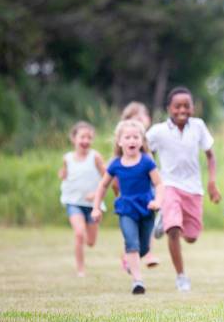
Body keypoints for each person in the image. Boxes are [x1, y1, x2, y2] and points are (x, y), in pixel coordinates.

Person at [146, 87, 221, 292]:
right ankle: (181, 277)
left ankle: (164, 220)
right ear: (169, 108)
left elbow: (211, 155)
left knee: (191, 237)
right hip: (168, 185)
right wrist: (151, 171)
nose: (182, 110)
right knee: (173, 231)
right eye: (177, 106)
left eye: (186, 106)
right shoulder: (159, 131)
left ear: (192, 108)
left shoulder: (198, 126)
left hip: (193, 188)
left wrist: (212, 182)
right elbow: (144, 148)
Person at [92, 120, 164, 294]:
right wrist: (96, 207)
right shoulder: (115, 164)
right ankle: (137, 281)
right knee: (131, 242)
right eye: (127, 137)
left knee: (144, 247)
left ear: (142, 141)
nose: (132, 140)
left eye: (136, 137)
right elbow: (103, 186)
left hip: (147, 208)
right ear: (119, 141)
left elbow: (160, 184)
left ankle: (129, 261)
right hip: (126, 209)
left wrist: (158, 201)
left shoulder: (147, 162)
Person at [59, 121, 106, 277]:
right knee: (79, 233)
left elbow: (107, 177)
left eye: (89, 137)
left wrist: (96, 194)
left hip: (93, 204)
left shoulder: (95, 157)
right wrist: (63, 174)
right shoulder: (67, 158)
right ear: (73, 138)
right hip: (73, 202)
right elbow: (65, 174)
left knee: (91, 242)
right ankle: (80, 270)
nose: (85, 141)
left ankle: (86, 243)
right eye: (82, 137)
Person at [118, 102, 159, 268]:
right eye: (133, 119)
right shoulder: (126, 142)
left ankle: (147, 252)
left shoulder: (148, 140)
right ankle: (132, 256)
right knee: (132, 232)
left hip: (149, 189)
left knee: (148, 222)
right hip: (130, 194)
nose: (138, 123)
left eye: (141, 118)